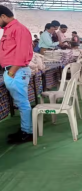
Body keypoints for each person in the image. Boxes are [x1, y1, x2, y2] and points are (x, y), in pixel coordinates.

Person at [0, 6, 34, 143]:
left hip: (16, 71)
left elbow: (22, 53)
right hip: (13, 71)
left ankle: (27, 132)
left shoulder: (19, 29)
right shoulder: (8, 29)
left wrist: (12, 72)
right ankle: (25, 129)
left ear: (3, 16)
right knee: (20, 102)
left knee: (22, 102)